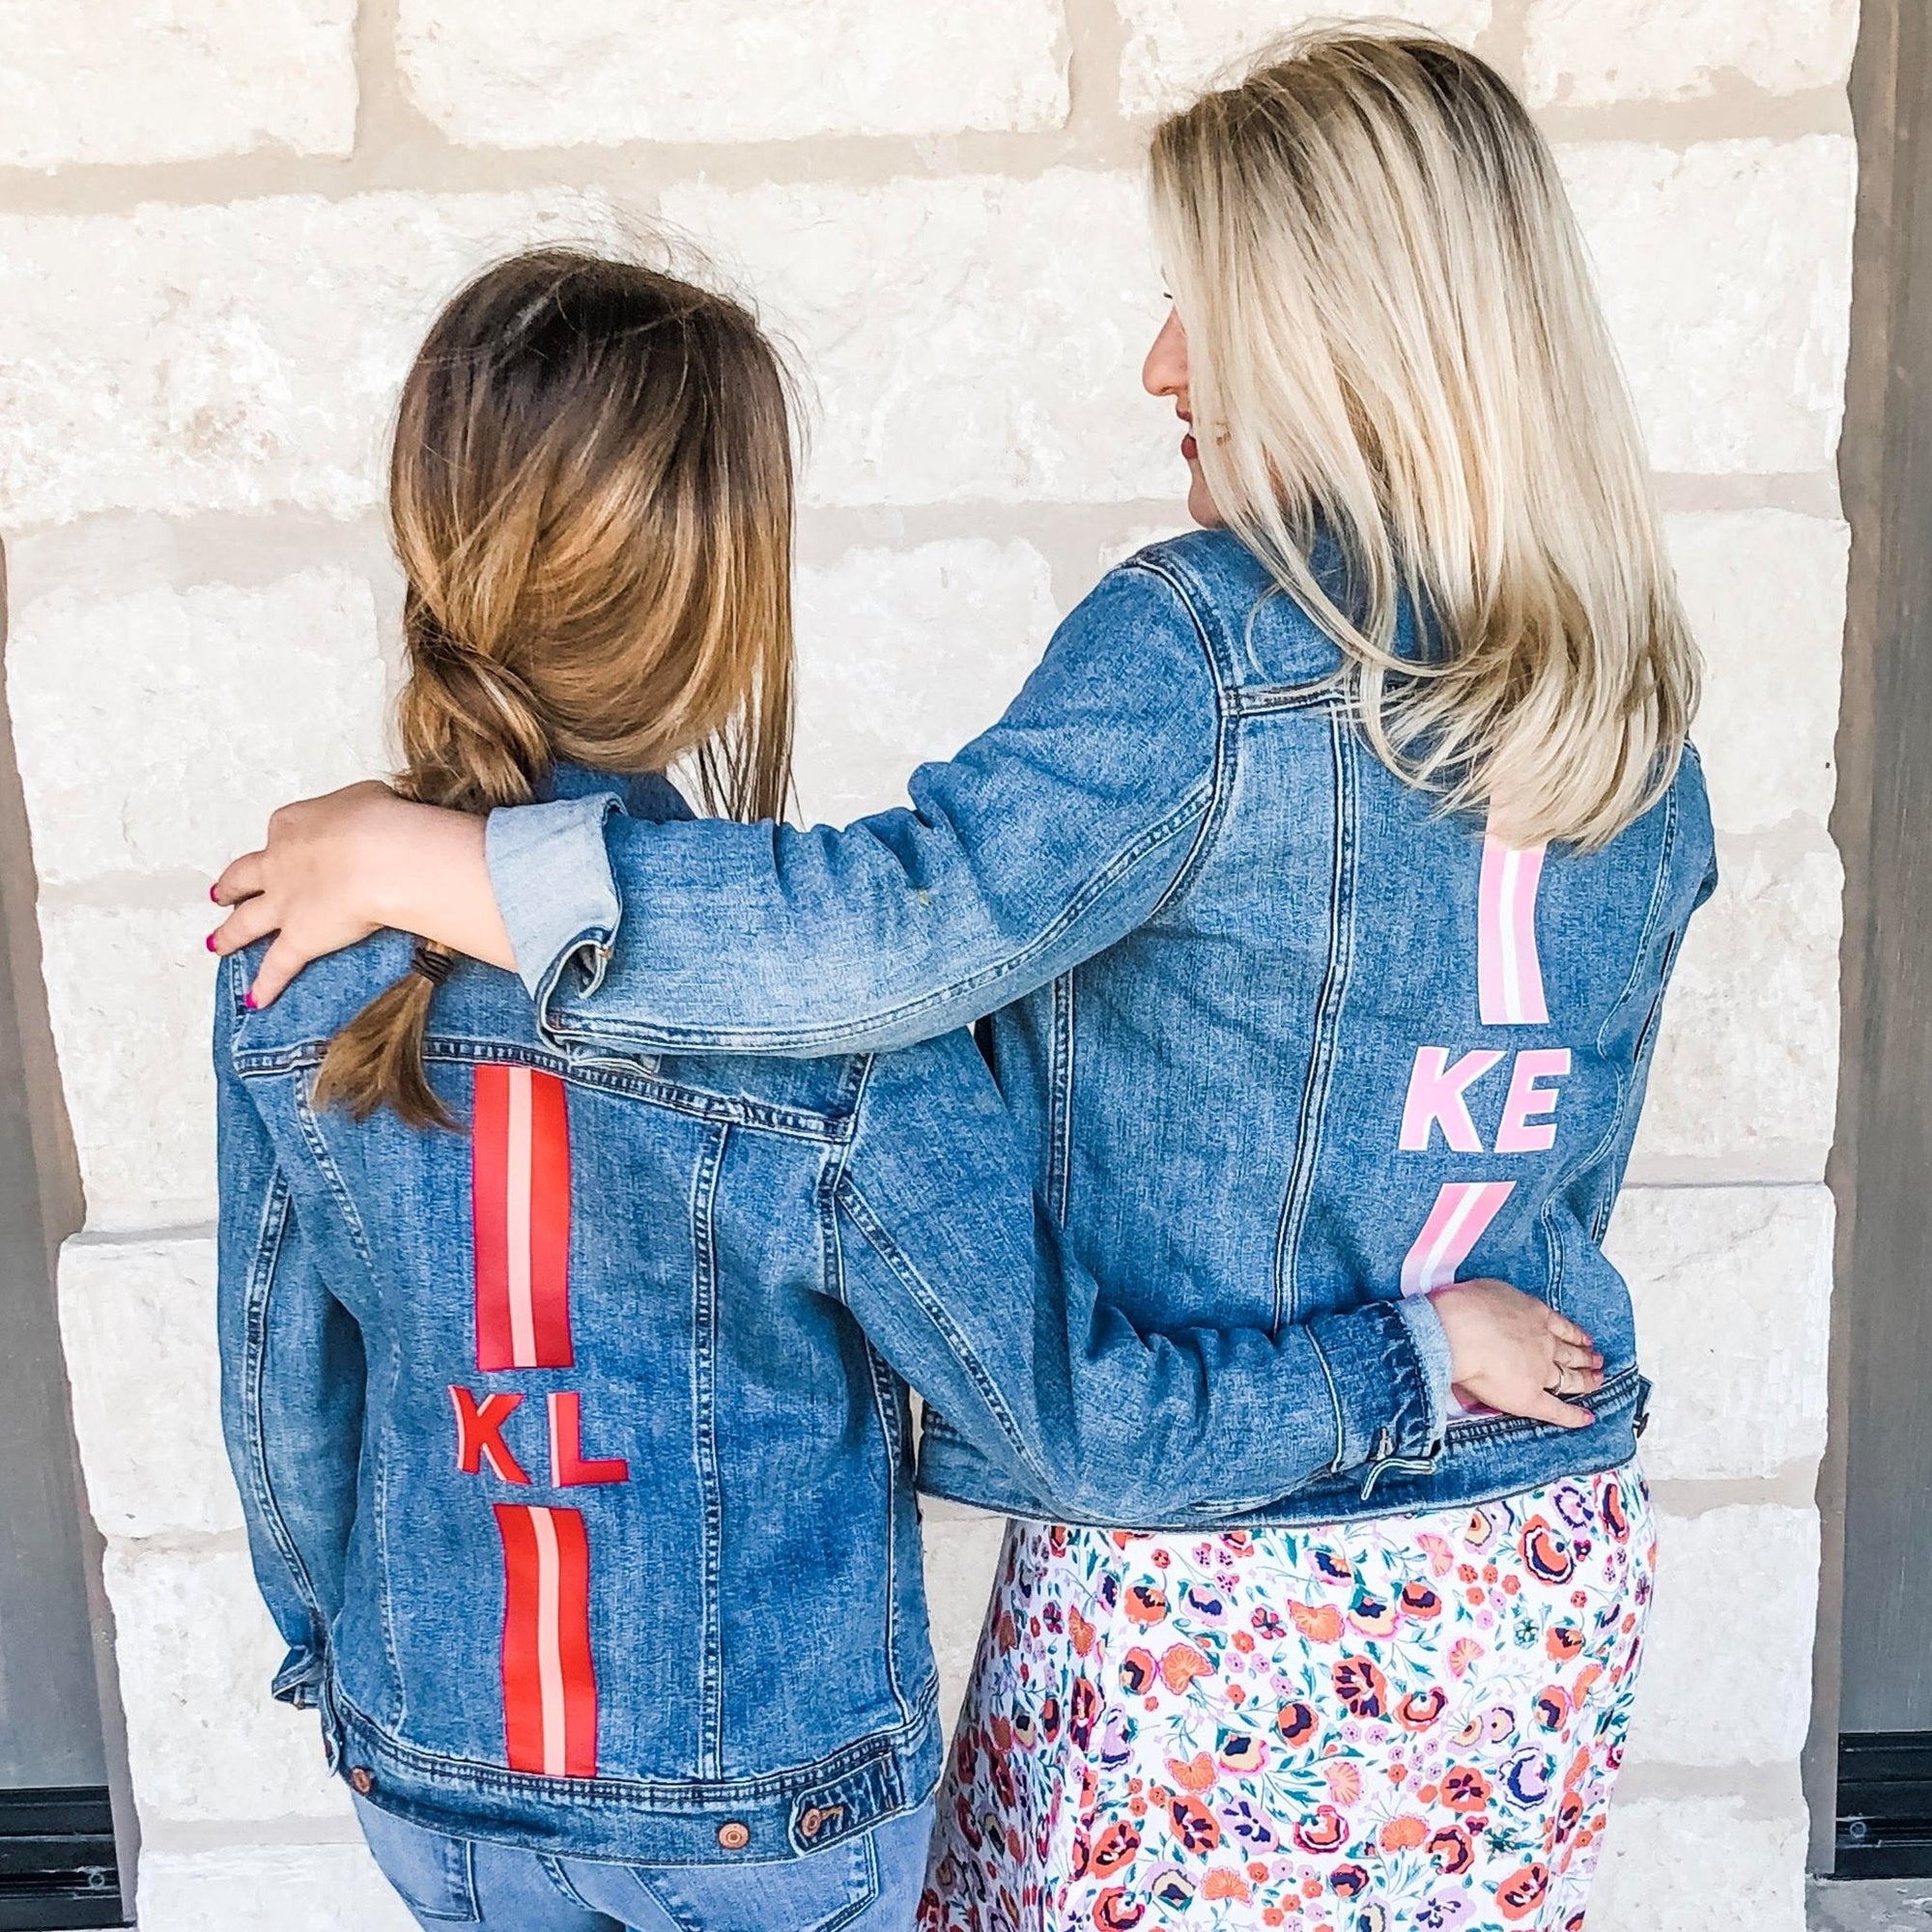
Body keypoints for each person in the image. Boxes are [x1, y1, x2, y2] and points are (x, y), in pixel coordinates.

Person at [211, 246, 1596, 1932]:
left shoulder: (288, 951)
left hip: (436, 1782)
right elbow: (1069, 1426)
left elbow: (287, 1399)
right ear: (736, 593)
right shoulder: (848, 1021)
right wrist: (1410, 1354)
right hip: (769, 1828)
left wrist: (337, 1656)